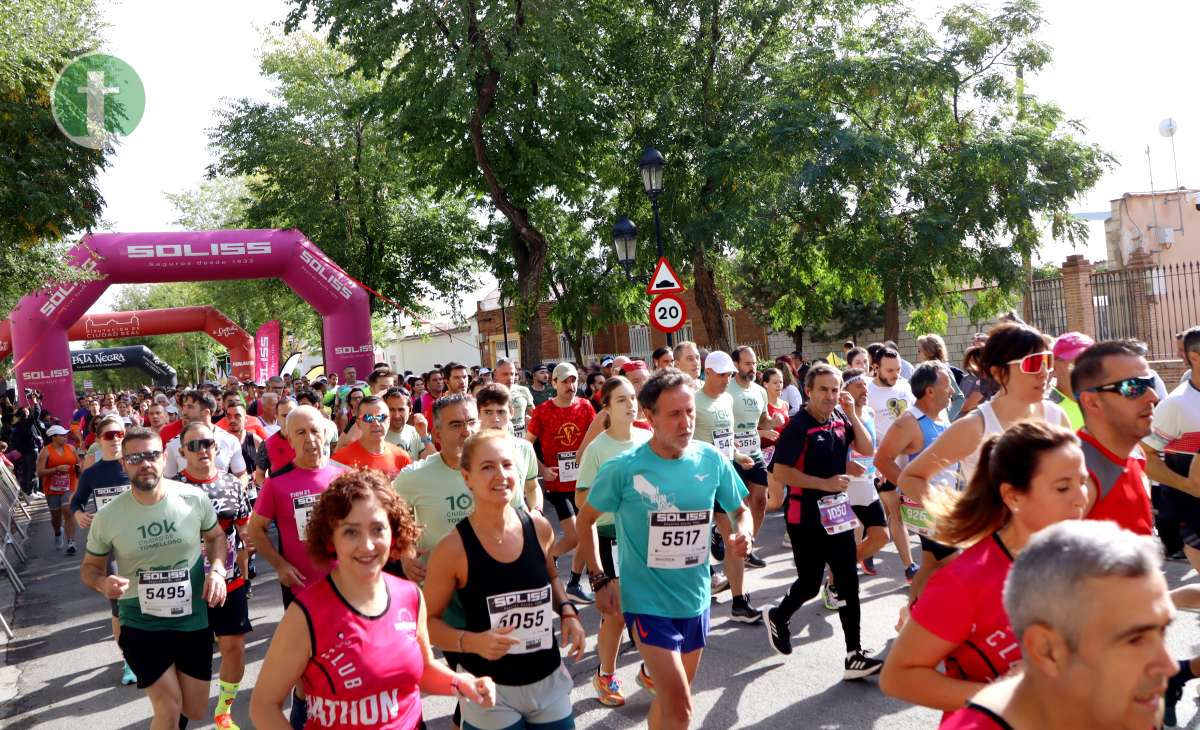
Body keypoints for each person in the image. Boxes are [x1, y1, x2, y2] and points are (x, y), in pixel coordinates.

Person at [250, 469, 495, 729]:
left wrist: (462, 683)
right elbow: (263, 706)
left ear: (394, 532)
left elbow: (422, 670)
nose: (367, 545)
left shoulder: (410, 596)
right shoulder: (306, 614)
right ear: (330, 538)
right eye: (351, 532)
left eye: (378, 529)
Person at [577, 368, 752, 730]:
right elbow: (586, 519)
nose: (686, 422)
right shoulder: (623, 469)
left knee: (671, 701)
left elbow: (740, 510)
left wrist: (744, 534)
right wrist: (599, 578)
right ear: (649, 416)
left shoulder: (711, 459)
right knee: (682, 706)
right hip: (646, 602)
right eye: (674, 414)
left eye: (689, 412)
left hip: (695, 599)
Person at [880, 420, 1088, 714]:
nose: (1081, 499)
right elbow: (897, 678)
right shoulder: (964, 581)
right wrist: (1004, 694)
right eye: (1063, 487)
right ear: (1014, 497)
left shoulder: (1076, 560)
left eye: (1082, 482)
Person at [937, 520, 1176, 730]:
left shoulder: (1137, 709)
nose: (1171, 666)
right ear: (1047, 652)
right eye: (1134, 640)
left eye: (1162, 631)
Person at [424, 431, 585, 730]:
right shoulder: (452, 549)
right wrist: (472, 642)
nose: (500, 475)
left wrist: (567, 612)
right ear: (466, 477)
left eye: (507, 465)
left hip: (547, 679)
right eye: (487, 467)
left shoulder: (538, 527)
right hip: (490, 690)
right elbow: (428, 625)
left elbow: (550, 577)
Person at [79, 427, 229, 730]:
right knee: (169, 706)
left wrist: (217, 570)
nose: (144, 463)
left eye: (151, 455)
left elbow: (215, 537)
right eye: (135, 457)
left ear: (164, 458)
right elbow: (90, 567)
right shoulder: (108, 516)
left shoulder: (192, 498)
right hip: (140, 621)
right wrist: (101, 583)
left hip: (192, 618)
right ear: (124, 465)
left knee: (194, 707)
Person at [762, 363, 884, 678]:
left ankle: (854, 654)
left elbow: (866, 449)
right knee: (809, 582)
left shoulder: (841, 418)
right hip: (804, 516)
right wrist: (826, 483)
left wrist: (853, 412)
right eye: (823, 390)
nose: (830, 396)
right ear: (808, 391)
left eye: (834, 389)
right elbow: (781, 471)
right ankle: (779, 614)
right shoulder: (797, 426)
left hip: (838, 514)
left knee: (848, 580)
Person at [900, 322, 1070, 502]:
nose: (1044, 373)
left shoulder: (1056, 415)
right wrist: (960, 516)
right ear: (998, 372)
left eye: (1046, 361)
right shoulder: (974, 426)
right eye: (1033, 363)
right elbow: (911, 478)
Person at [576, 376, 651, 706]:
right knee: (618, 612)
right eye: (621, 399)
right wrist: (615, 500)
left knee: (652, 605)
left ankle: (651, 669)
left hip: (649, 535)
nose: (630, 404)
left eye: (633, 397)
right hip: (611, 537)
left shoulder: (649, 439)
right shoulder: (598, 449)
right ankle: (605, 675)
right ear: (605, 407)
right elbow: (582, 501)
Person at [174, 421, 254, 730]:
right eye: (193, 445)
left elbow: (243, 529)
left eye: (206, 443)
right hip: (189, 588)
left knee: (234, 647)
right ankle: (179, 716)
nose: (201, 450)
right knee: (193, 656)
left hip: (230, 581)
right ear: (182, 452)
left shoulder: (232, 483)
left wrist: (246, 575)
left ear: (216, 446)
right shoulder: (173, 487)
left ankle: (223, 711)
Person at [875, 362, 959, 599]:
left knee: (930, 566)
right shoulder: (909, 422)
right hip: (928, 508)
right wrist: (913, 488)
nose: (952, 390)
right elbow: (882, 460)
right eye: (947, 385)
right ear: (930, 391)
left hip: (944, 504)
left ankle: (911, 619)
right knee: (959, 567)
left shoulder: (941, 416)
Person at [692, 350, 759, 621]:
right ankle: (695, 598)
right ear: (707, 372)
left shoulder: (728, 398)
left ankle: (739, 601)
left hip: (727, 473)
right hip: (699, 478)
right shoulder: (694, 402)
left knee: (734, 534)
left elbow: (725, 438)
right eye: (721, 375)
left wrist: (737, 454)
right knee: (695, 540)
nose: (726, 379)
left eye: (729, 374)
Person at [71, 414, 136, 686]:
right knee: (119, 603)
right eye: (109, 435)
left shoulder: (136, 466)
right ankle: (129, 660)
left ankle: (157, 649)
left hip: (141, 542)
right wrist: (78, 516)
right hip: (110, 546)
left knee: (144, 598)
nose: (116, 440)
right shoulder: (93, 473)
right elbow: (76, 502)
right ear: (99, 440)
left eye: (120, 434)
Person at [526, 362, 596, 602]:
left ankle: (575, 583)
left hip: (583, 481)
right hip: (557, 484)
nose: (571, 385)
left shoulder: (586, 407)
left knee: (586, 533)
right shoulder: (543, 410)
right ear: (554, 383)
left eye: (574, 379)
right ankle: (545, 561)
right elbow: (526, 445)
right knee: (576, 535)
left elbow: (598, 437)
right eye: (565, 380)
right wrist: (542, 468)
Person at [866, 346, 918, 582]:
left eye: (898, 369)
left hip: (907, 460)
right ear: (876, 367)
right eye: (890, 370)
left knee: (885, 513)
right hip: (881, 464)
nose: (896, 374)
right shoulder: (866, 391)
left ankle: (866, 549)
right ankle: (910, 567)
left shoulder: (905, 386)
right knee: (895, 511)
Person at [727, 346, 778, 569]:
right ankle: (732, 544)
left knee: (760, 501)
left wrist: (773, 422)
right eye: (747, 364)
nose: (752, 368)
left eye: (754, 363)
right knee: (738, 505)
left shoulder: (760, 391)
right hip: (732, 455)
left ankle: (749, 545)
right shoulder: (726, 390)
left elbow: (763, 420)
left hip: (755, 453)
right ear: (736, 365)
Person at [840, 368, 888, 578]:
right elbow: (832, 449)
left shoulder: (869, 411)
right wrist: (845, 464)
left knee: (881, 536)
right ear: (846, 389)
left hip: (868, 481)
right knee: (848, 538)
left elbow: (872, 443)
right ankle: (837, 581)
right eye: (859, 385)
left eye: (865, 385)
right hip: (847, 485)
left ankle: (842, 571)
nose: (864, 389)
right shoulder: (840, 416)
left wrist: (878, 465)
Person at [475, 383, 542, 512]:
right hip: (482, 525)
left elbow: (532, 487)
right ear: (478, 414)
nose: (495, 419)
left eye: (501, 412)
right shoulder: (468, 451)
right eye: (488, 412)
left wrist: (537, 511)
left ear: (511, 412)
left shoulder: (525, 448)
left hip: (520, 523)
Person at [164, 391, 247, 480]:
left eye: (190, 407)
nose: (184, 411)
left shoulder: (230, 440)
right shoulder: (173, 444)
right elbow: (168, 480)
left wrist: (233, 491)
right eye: (184, 406)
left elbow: (241, 475)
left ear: (206, 413)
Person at [331, 395, 413, 479]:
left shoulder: (402, 457)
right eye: (368, 418)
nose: (376, 423)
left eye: (381, 417)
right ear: (358, 423)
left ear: (388, 421)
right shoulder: (340, 459)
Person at [37, 423, 78, 553]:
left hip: (70, 484)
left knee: (68, 510)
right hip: (52, 488)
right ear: (54, 437)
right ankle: (57, 533)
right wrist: (56, 469)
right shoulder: (45, 451)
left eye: (66, 435)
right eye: (62, 435)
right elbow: (39, 472)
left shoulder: (71, 448)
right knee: (56, 517)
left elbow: (78, 463)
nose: (66, 437)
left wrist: (79, 467)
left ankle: (71, 542)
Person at [1048, 331, 1095, 431]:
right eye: (1074, 363)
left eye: (1090, 364)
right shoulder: (1047, 409)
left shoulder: (1105, 402)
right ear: (1053, 366)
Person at [917, 334, 966, 420]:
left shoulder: (942, 370)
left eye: (919, 350)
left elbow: (959, 398)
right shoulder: (920, 371)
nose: (918, 354)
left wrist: (947, 419)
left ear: (928, 351)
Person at [382, 388, 431, 462]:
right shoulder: (377, 434)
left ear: (410, 410)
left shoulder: (417, 433)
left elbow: (431, 462)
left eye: (401, 410)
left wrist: (424, 435)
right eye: (391, 410)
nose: (396, 415)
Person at [494, 357, 534, 440]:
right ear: (496, 375)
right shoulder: (489, 393)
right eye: (505, 374)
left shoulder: (523, 390)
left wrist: (531, 421)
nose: (510, 378)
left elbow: (534, 414)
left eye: (512, 374)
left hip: (522, 439)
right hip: (499, 440)